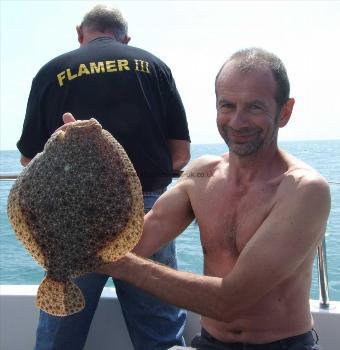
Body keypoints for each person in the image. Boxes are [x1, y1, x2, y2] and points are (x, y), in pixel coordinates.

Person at [95, 48, 331, 349]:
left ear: (284, 111)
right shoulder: (201, 175)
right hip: (209, 342)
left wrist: (122, 265)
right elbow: (136, 241)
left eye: (255, 107)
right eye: (227, 105)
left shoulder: (303, 189)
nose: (237, 121)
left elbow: (230, 301)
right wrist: (91, 160)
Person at [17, 4, 190, 350]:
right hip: (148, 216)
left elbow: (27, 160)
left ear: (80, 33)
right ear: (126, 38)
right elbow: (180, 156)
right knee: (159, 331)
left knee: (59, 335)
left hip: (68, 222)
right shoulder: (154, 67)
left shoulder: (51, 71)